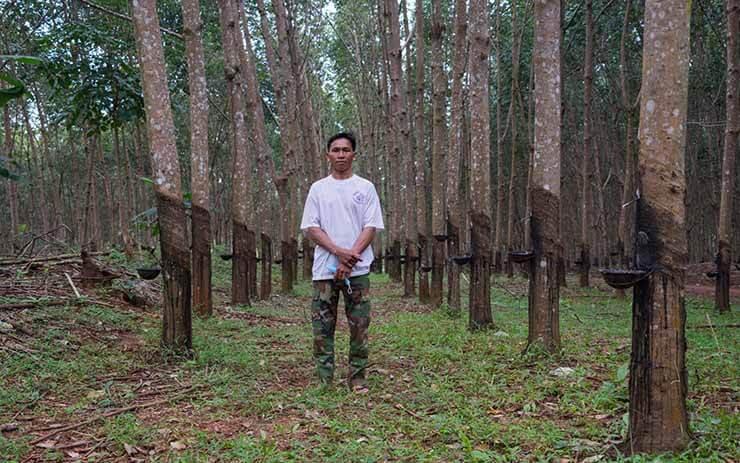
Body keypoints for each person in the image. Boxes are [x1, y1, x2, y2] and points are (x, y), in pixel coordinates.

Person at [300, 132, 384, 392]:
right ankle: (325, 380)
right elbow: (311, 227)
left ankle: (357, 379)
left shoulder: (365, 187)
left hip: (357, 273)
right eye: (335, 150)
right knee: (322, 328)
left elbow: (371, 227)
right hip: (324, 272)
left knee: (359, 327)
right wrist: (338, 252)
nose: (340, 154)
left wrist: (349, 261)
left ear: (353, 155)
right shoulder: (318, 188)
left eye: (345, 150)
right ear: (328, 155)